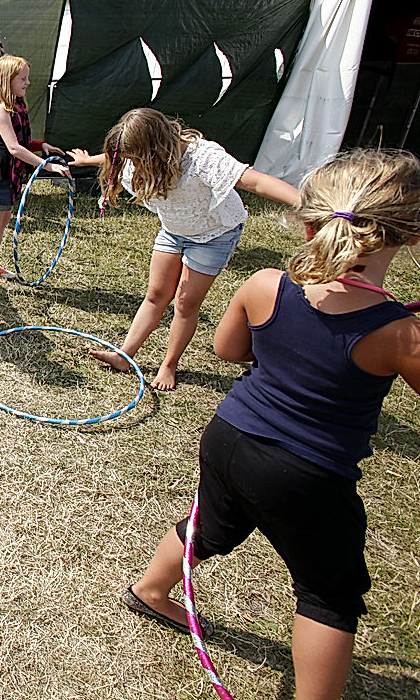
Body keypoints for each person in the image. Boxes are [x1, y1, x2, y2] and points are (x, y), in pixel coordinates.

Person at [122, 149, 420, 700]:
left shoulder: (266, 284)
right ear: (407, 238)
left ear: (310, 223)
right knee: (329, 594)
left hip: (229, 436)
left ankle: (150, 588)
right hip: (305, 472)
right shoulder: (399, 333)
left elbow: (228, 350)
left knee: (210, 522)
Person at [69, 107, 299, 390]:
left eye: (136, 157)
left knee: (185, 303)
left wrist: (305, 202)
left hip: (214, 234)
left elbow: (256, 181)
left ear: (156, 147)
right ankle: (124, 355)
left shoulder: (203, 158)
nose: (132, 164)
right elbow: (114, 156)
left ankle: (169, 364)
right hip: (174, 230)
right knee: (156, 294)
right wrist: (85, 160)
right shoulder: (136, 155)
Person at [0, 54, 68, 298]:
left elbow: (21, 142)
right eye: (22, 78)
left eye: (27, 78)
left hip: (13, 174)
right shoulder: (0, 110)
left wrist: (40, 145)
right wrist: (46, 166)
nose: (28, 83)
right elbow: (12, 147)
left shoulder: (18, 106)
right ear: (6, 80)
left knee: (2, 222)